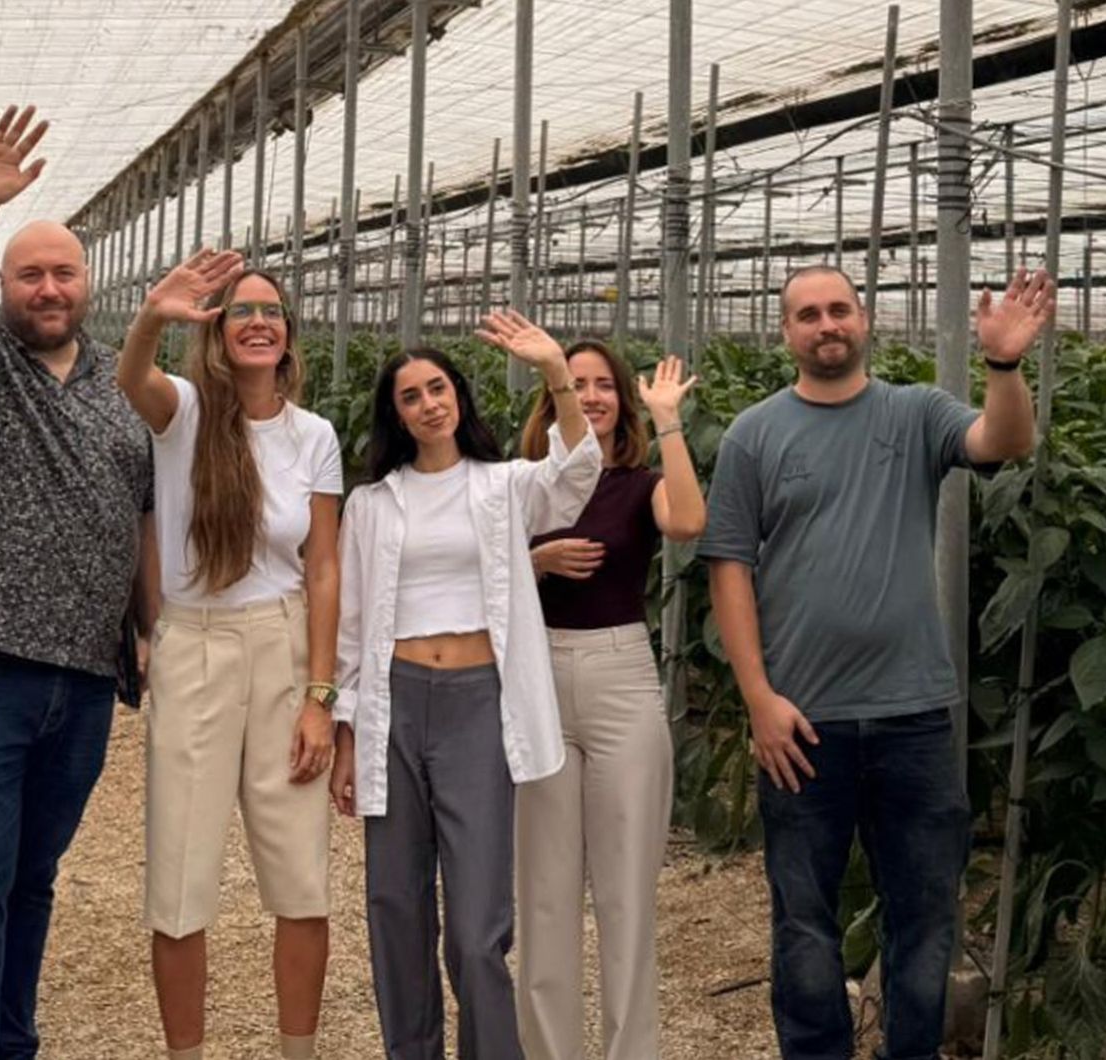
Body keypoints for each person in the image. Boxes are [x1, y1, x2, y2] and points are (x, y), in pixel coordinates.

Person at [700, 264, 1044, 1060]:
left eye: (839, 310)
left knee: (924, 917)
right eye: (808, 314)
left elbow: (1005, 442)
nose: (827, 325)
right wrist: (758, 699)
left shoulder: (914, 411)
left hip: (913, 716)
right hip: (801, 723)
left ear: (864, 320)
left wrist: (1003, 364)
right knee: (803, 921)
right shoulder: (754, 434)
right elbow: (728, 568)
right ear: (785, 332)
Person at [0, 105, 155, 1060]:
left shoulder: (120, 389)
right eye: (30, 274)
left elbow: (137, 518)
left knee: (31, 880)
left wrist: (147, 630)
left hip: (84, 682)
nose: (49, 288)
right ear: (3, 286)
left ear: (88, 283)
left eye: (63, 273)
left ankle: (13, 1044)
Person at [330, 312, 599, 1059]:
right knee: (395, 903)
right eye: (411, 396)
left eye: (438, 388)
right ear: (396, 415)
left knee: (479, 927)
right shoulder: (371, 504)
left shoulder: (505, 486)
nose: (428, 404)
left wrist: (556, 373)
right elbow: (352, 624)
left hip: (479, 705)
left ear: (459, 396)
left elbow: (577, 474)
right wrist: (347, 733)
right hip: (394, 703)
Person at [117, 250, 341, 1060]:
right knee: (179, 880)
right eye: (240, 310)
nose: (257, 322)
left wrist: (321, 695)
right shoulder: (183, 414)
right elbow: (131, 376)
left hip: (283, 644)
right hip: (197, 644)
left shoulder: (314, 435)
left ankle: (298, 1052)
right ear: (215, 333)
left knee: (300, 876)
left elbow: (323, 568)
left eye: (270, 311)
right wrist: (154, 313)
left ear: (288, 335)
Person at [515, 344, 707, 1059]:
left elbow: (687, 522)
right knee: (544, 894)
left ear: (624, 401)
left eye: (604, 385)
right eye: (577, 384)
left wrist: (669, 422)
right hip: (538, 677)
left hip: (621, 676)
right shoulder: (528, 483)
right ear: (554, 398)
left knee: (626, 894)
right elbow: (484, 575)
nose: (591, 395)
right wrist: (535, 561)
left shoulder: (641, 483)